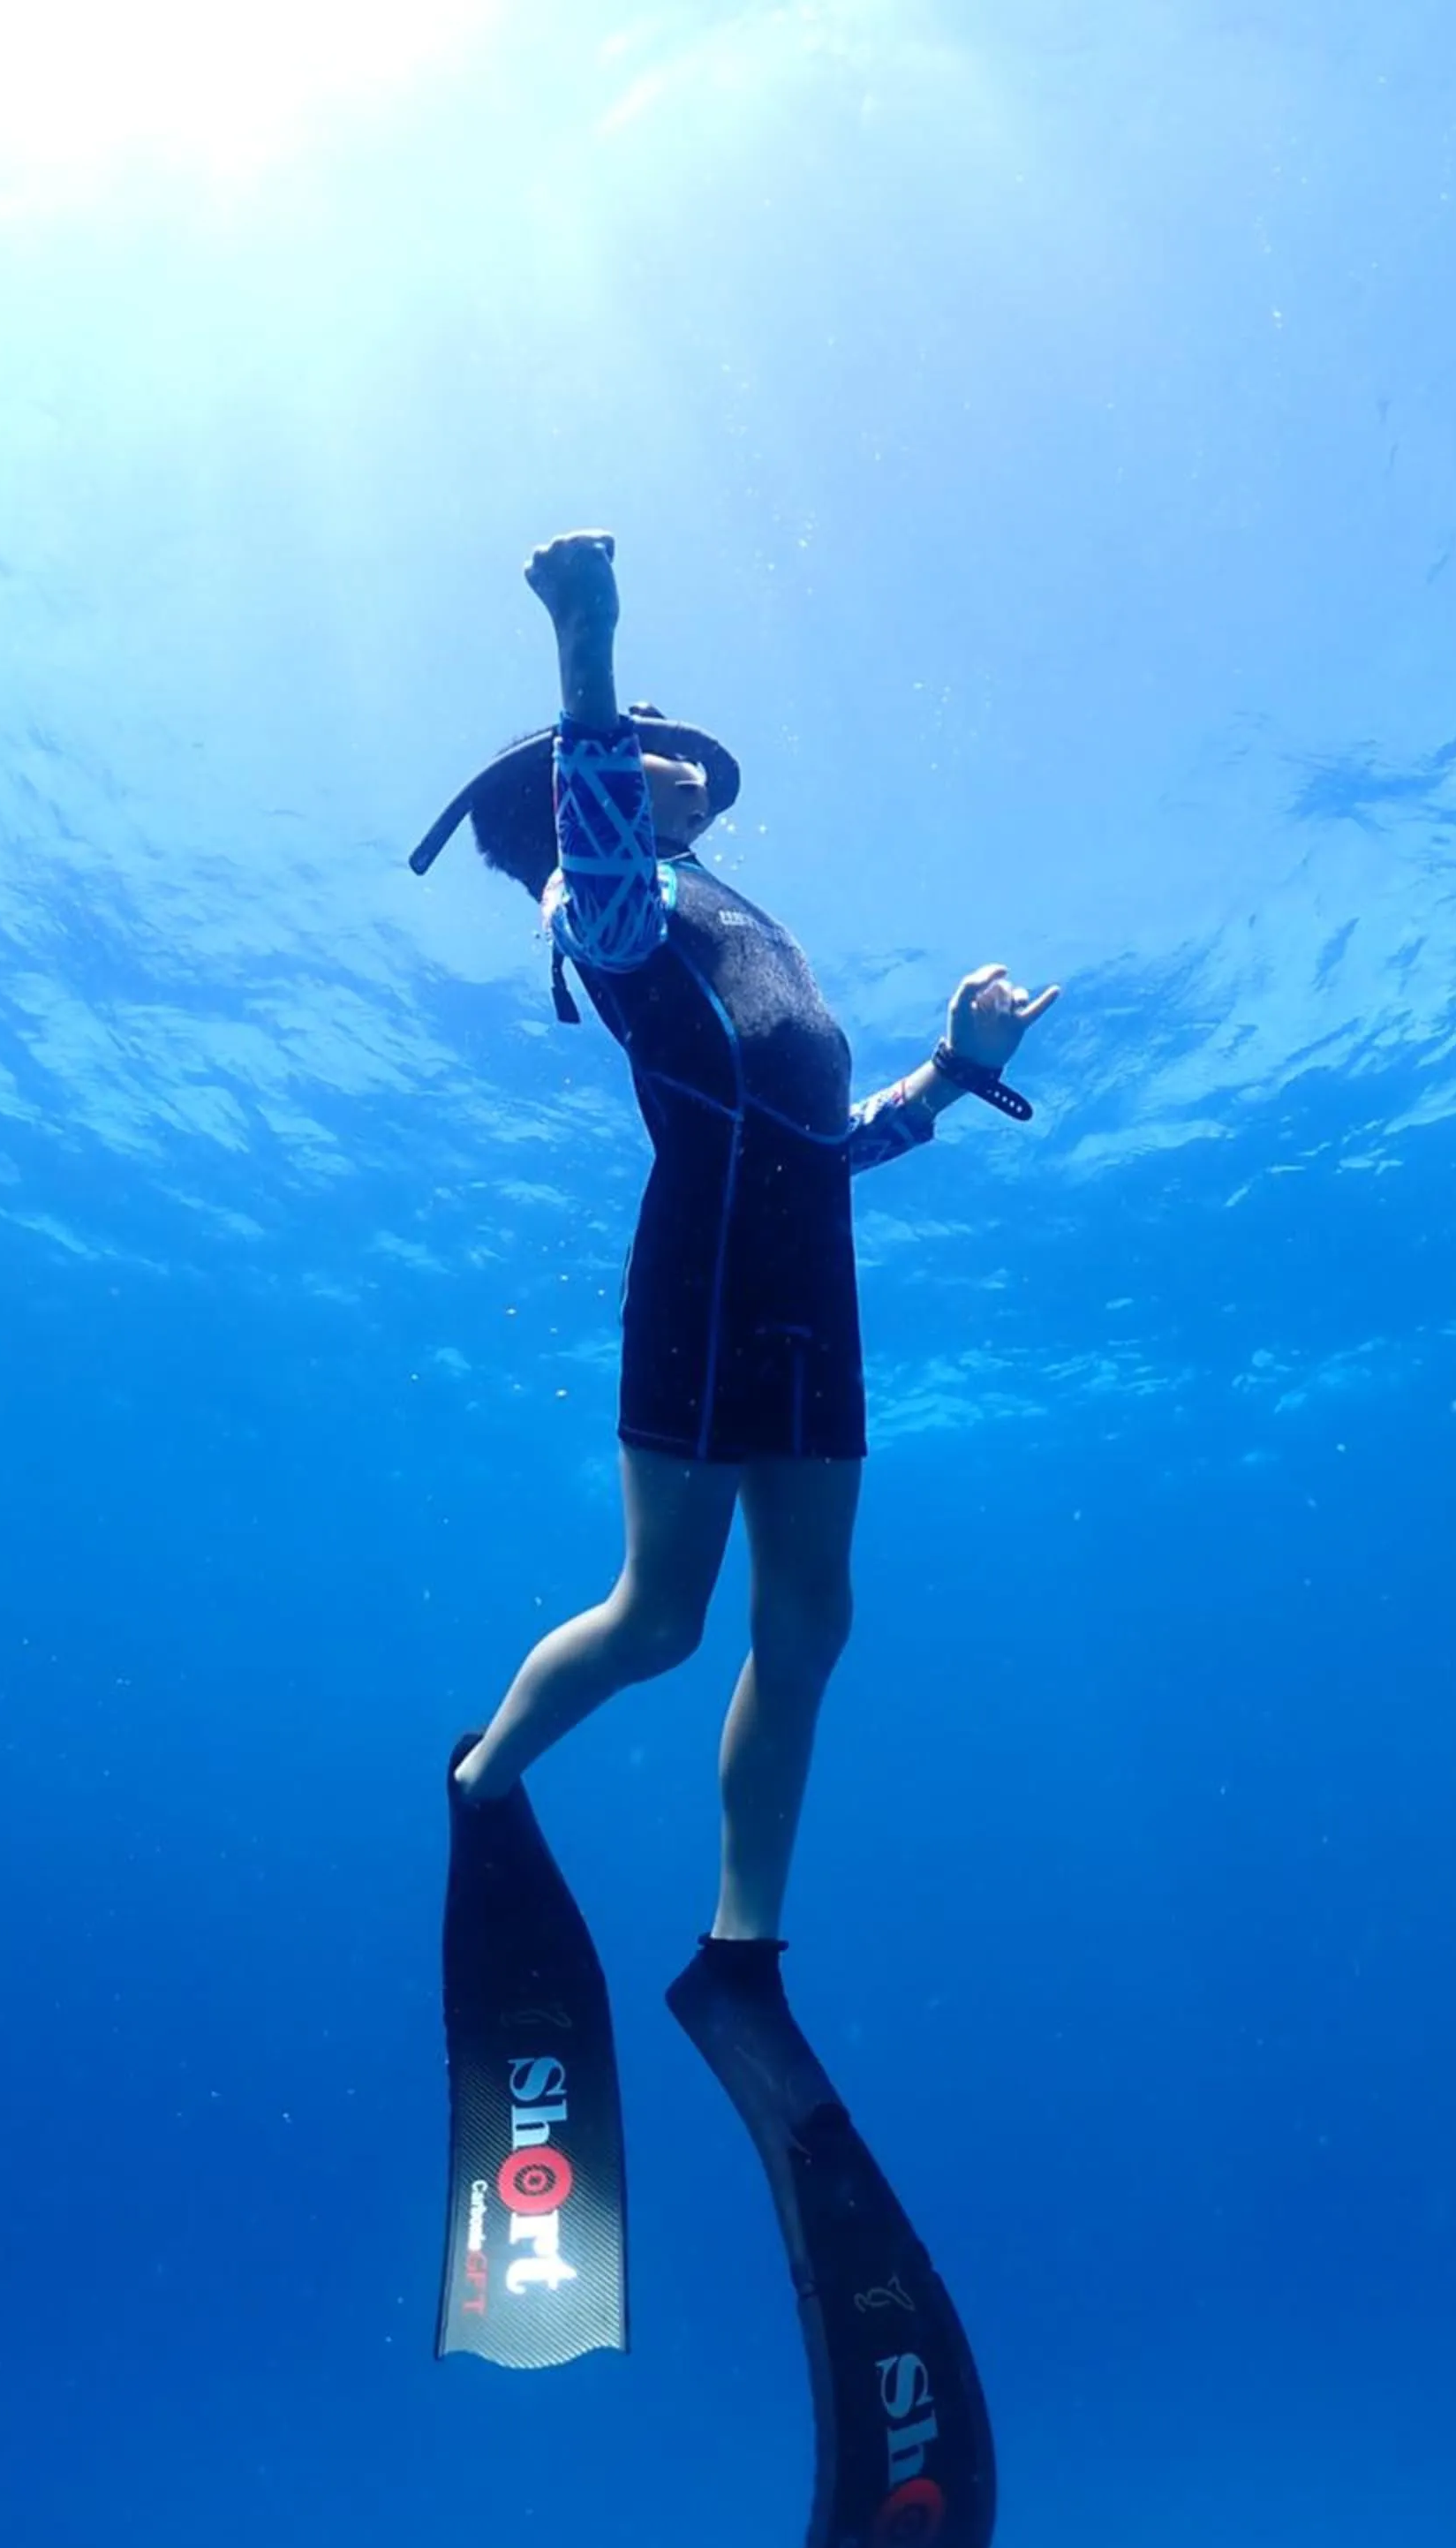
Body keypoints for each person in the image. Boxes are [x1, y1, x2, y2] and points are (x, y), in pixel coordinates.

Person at [417, 531, 1059, 1946]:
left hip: (810, 1283)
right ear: (583, 787)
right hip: (701, 1279)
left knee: (811, 1624)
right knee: (661, 1620)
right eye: (648, 747)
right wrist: (585, 643)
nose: (685, 760)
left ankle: (742, 1948)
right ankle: (480, 1782)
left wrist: (955, 1071)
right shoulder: (602, 901)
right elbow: (600, 879)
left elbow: (820, 1145)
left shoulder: (744, 918)